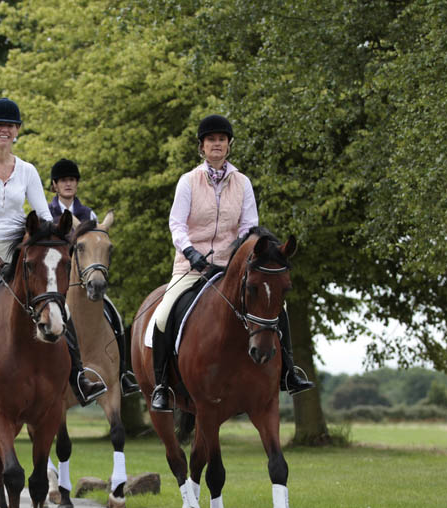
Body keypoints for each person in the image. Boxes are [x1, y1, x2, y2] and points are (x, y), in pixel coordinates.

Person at [0, 99, 107, 414]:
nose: (4, 130)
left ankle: (79, 376)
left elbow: (43, 214)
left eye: (10, 126)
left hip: (20, 248)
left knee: (58, 305)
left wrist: (56, 238)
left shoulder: (27, 170)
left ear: (16, 131)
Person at [151, 114, 314, 412]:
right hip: (190, 267)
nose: (217, 144)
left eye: (222, 140)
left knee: (282, 308)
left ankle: (289, 372)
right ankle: (162, 385)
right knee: (162, 314)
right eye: (211, 140)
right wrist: (191, 254)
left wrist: (240, 256)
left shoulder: (243, 182)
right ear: (202, 146)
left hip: (231, 269)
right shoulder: (188, 182)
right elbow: (176, 224)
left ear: (228, 145)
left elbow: (249, 226)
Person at [48, 158, 138, 397]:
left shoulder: (88, 214)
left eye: (72, 180)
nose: (68, 184)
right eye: (63, 180)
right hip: (54, 282)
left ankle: (122, 374)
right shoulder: (47, 213)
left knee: (116, 318)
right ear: (55, 185)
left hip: (84, 284)